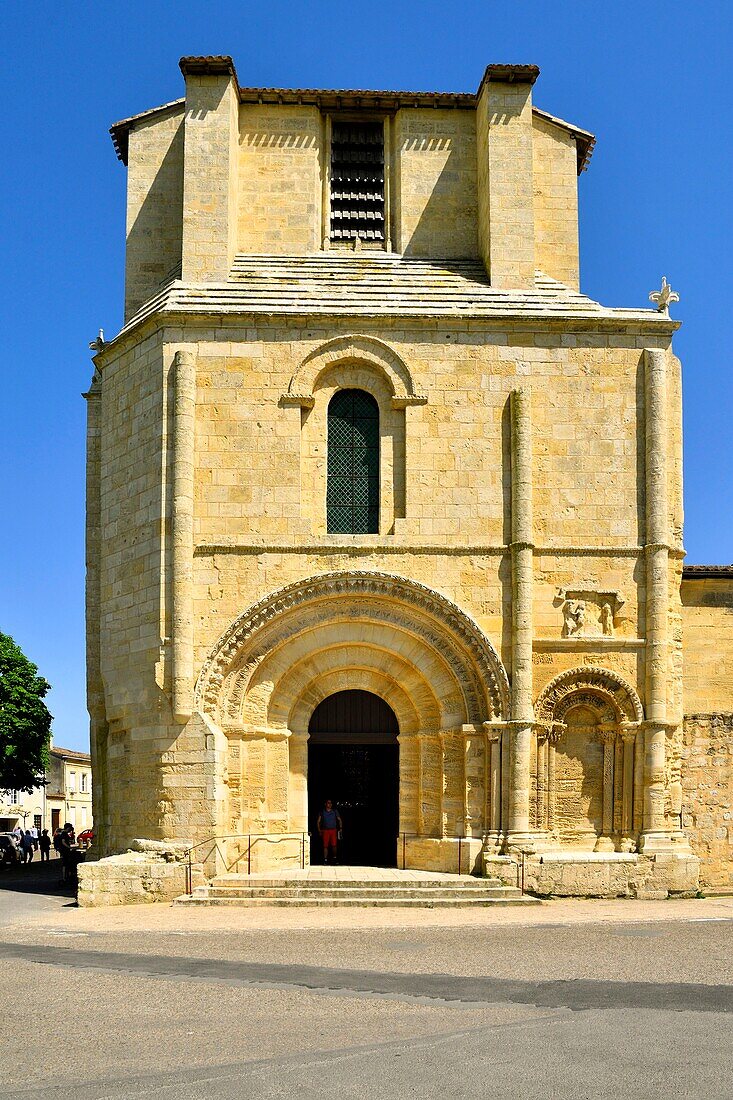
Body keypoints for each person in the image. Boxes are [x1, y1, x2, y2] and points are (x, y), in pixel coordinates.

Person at [317, 799, 342, 865]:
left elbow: (339, 819)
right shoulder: (322, 812)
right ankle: (325, 860)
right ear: (325, 804)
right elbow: (318, 821)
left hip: (333, 830)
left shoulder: (334, 811)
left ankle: (335, 858)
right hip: (325, 830)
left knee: (334, 845)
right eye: (328, 803)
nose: (330, 804)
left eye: (331, 803)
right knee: (325, 846)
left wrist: (341, 828)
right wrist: (319, 830)